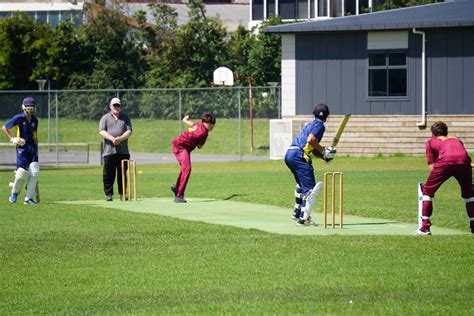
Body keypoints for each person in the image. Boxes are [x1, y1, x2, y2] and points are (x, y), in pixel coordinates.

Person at [284, 104, 337, 226]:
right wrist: (324, 150)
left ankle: (297, 212)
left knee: (301, 185)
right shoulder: (320, 125)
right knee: (311, 190)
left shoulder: (310, 125)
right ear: (327, 116)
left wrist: (323, 155)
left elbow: (311, 147)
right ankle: (304, 220)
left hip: (290, 154)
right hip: (299, 156)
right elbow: (311, 140)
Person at [417, 121, 473, 235]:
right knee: (469, 194)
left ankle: (425, 228)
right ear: (447, 132)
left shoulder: (430, 142)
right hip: (464, 163)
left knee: (427, 191)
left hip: (445, 163)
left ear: (432, 134)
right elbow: (466, 158)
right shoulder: (457, 140)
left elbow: (432, 166)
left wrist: (439, 177)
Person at [2, 97, 40, 204]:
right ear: (23, 107)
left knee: (35, 172)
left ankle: (28, 198)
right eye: (28, 106)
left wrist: (36, 148)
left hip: (32, 147)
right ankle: (14, 193)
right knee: (21, 173)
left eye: (32, 106)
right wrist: (13, 138)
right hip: (22, 148)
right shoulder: (18, 118)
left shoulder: (35, 120)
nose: (30, 108)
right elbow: (4, 127)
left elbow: (35, 135)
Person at [171, 113, 216, 203]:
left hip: (181, 145)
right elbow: (199, 146)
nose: (212, 127)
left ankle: (177, 187)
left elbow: (191, 124)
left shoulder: (199, 125)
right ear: (206, 123)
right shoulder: (203, 133)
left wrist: (185, 120)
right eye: (211, 124)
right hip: (181, 147)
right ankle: (179, 196)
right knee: (187, 168)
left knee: (184, 169)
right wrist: (199, 143)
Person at [99, 97, 132, 201]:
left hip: (123, 151)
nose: (116, 107)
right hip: (109, 152)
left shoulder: (125, 117)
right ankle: (109, 195)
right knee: (108, 174)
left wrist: (120, 138)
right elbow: (101, 131)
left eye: (118, 105)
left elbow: (129, 131)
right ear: (110, 106)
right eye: (114, 105)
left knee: (122, 174)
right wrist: (112, 138)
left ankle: (122, 194)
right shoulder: (105, 117)